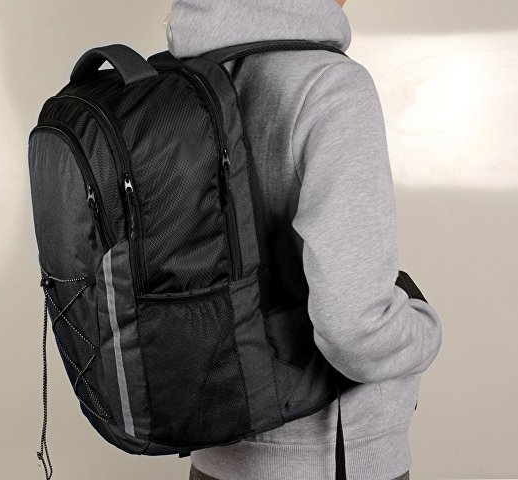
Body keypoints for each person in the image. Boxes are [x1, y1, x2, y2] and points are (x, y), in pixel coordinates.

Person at [166, 1, 443, 479]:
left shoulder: (179, 84)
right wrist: (425, 330)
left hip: (214, 448)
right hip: (328, 458)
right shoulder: (329, 84)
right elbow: (355, 331)